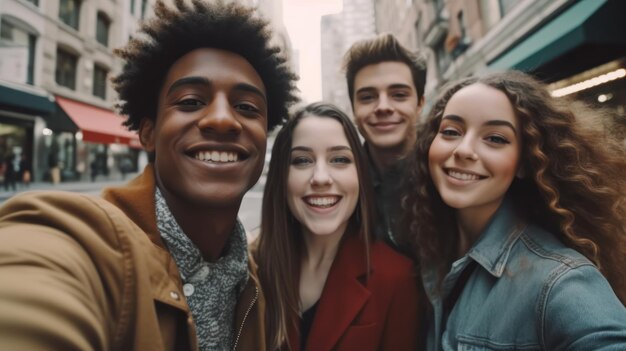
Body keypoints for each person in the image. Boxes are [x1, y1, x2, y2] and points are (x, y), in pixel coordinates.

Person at [0, 1, 298, 350]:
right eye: (190, 101)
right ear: (148, 133)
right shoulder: (82, 239)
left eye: (247, 108)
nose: (222, 119)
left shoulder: (258, 280)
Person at [401, 71, 626, 350]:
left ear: (523, 162)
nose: (464, 149)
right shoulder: (432, 254)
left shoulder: (559, 279)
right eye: (450, 131)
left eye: (495, 138)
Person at [255, 102, 419, 351]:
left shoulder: (397, 277)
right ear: (281, 177)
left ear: (360, 176)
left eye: (340, 159)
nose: (321, 178)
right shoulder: (253, 267)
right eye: (302, 160)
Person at [343, 33, 427, 248]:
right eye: (367, 97)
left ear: (420, 104)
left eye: (399, 95)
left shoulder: (450, 173)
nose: (383, 107)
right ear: (354, 109)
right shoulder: (341, 185)